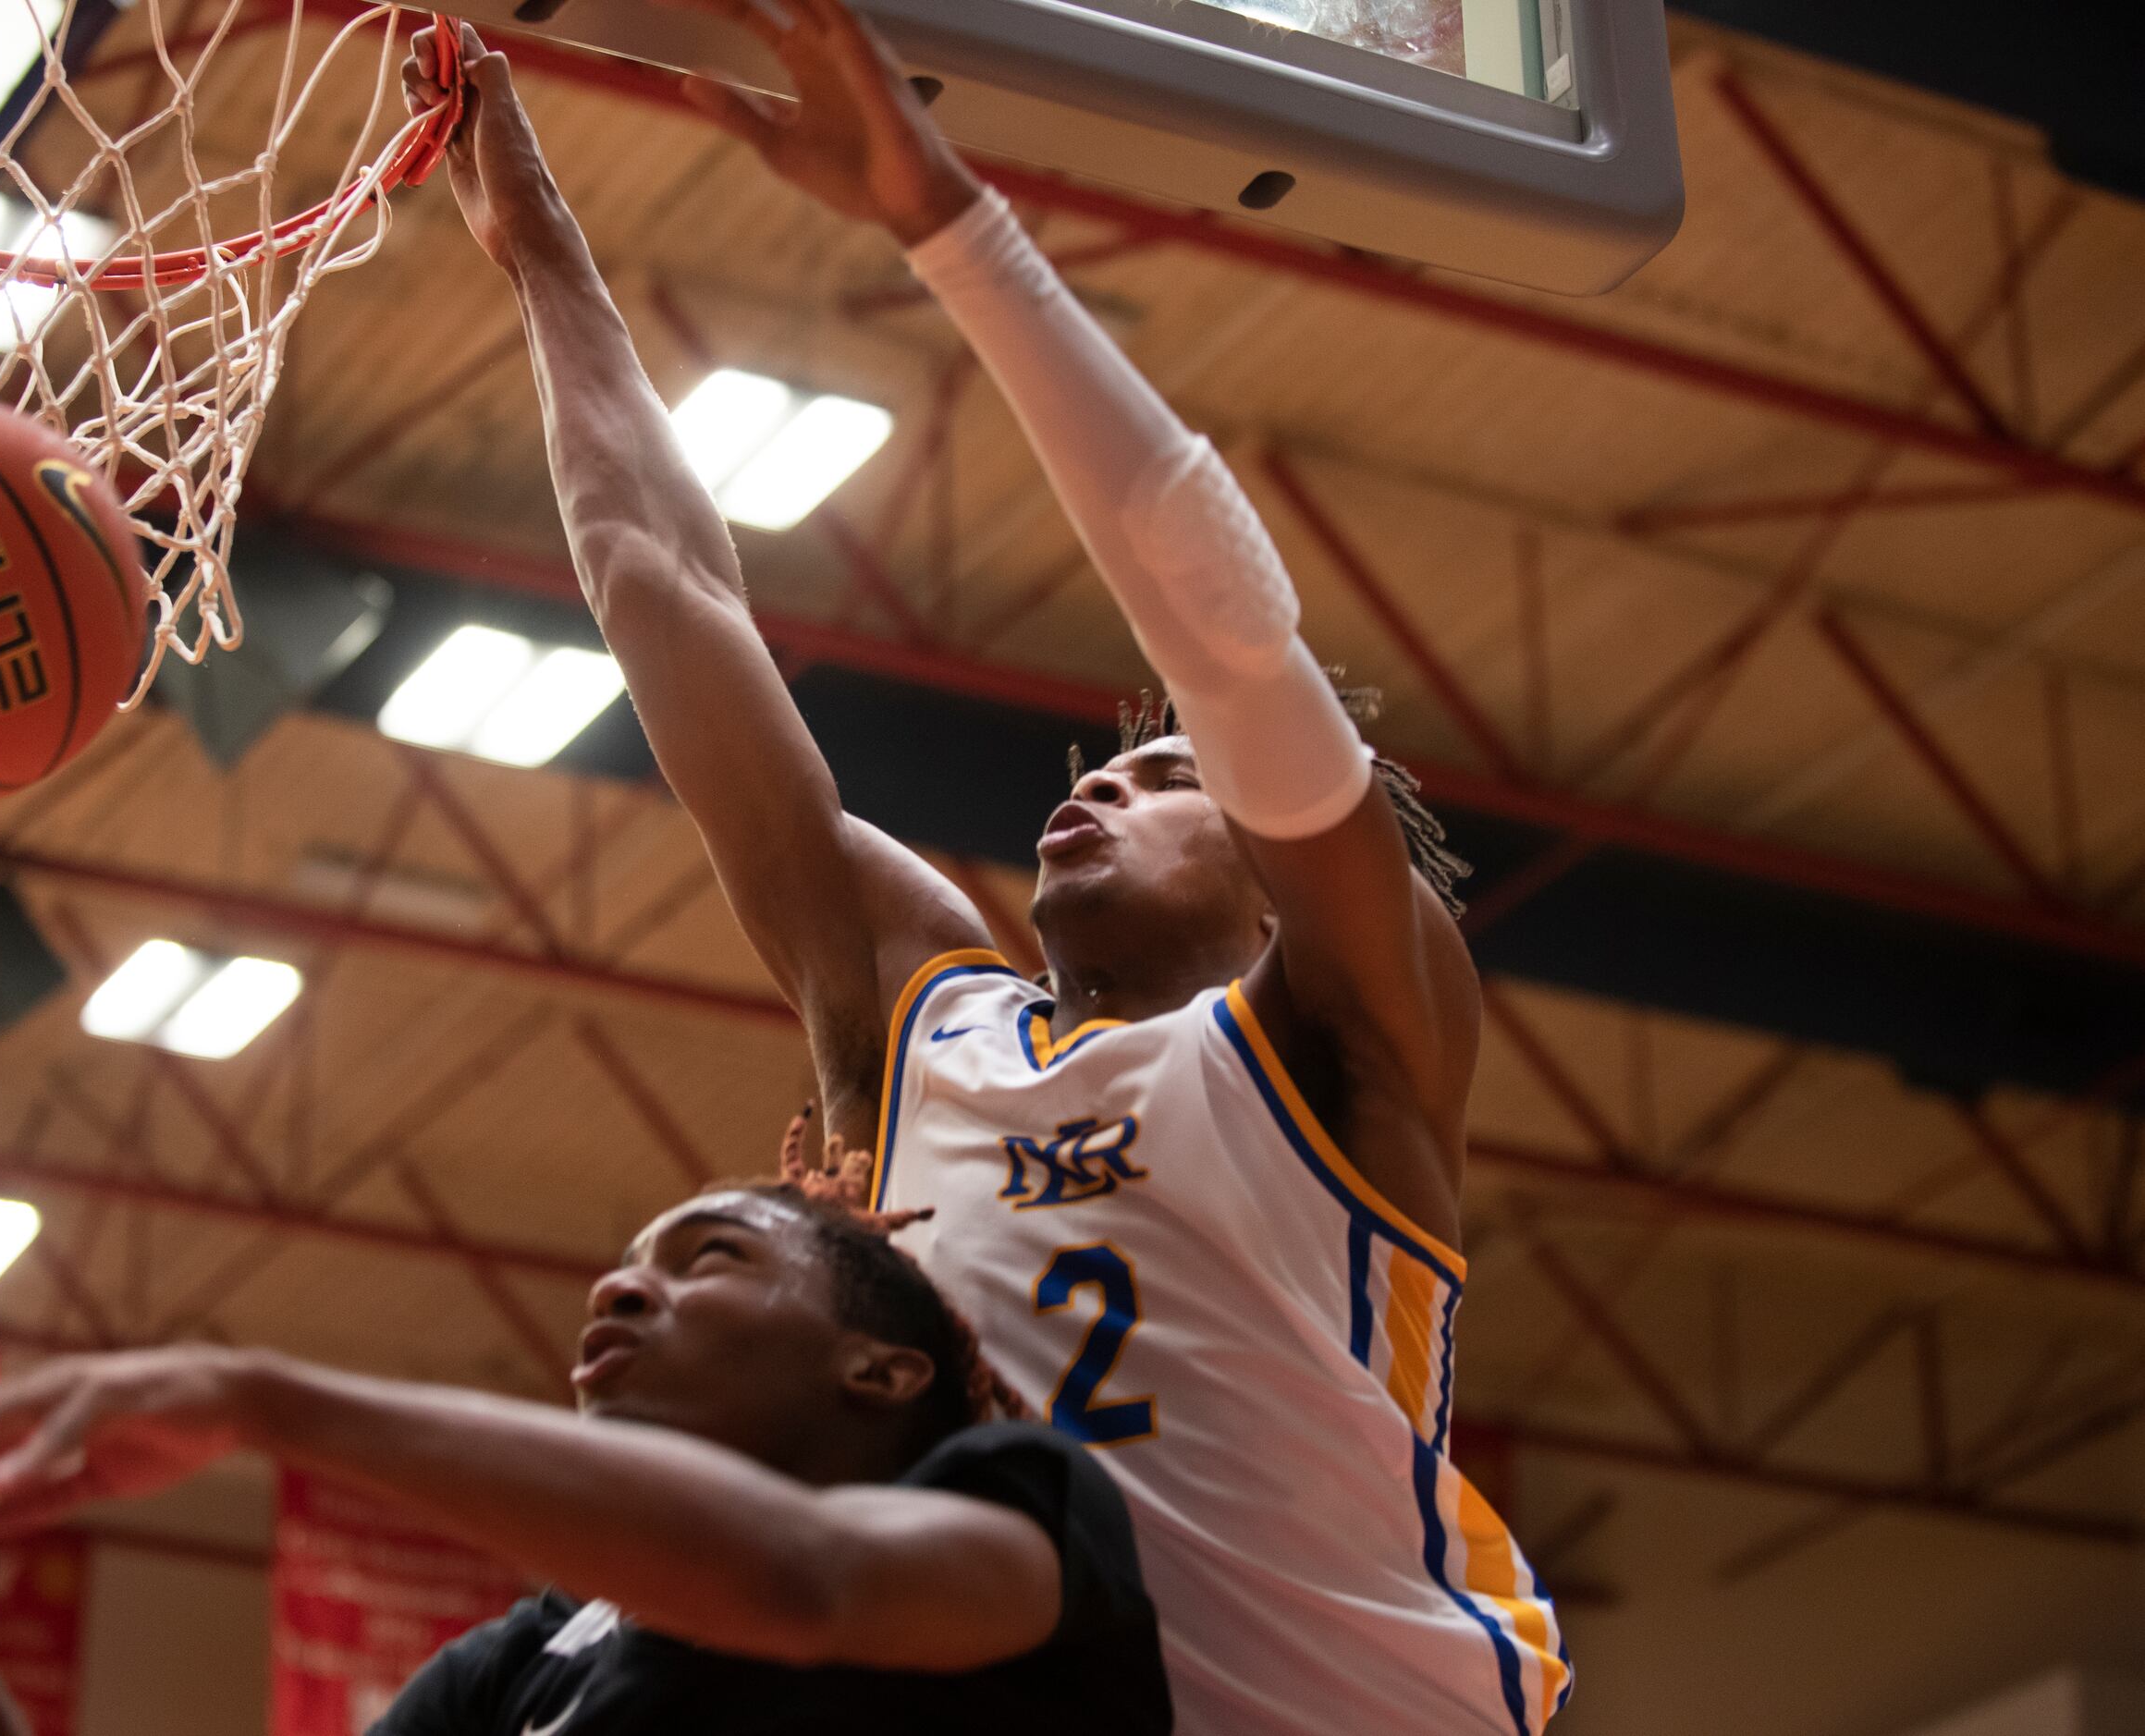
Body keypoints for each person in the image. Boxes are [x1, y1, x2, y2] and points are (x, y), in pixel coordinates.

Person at [408, 9, 1567, 1735]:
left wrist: (951, 220)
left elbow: (1243, 657)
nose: (1094, 793)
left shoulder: (1350, 1039)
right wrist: (544, 261)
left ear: (1279, 876)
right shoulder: (927, 1021)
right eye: (1096, 769)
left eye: (1165, 779)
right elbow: (666, 583)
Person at [0, 1167, 1172, 1736]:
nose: (620, 1290)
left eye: (709, 1260)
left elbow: (806, 1582)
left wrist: (266, 1400)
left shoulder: (1026, 1508)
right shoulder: (532, 1661)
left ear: (878, 1368)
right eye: (625, 1266)